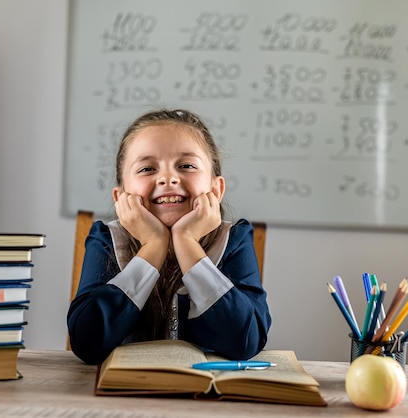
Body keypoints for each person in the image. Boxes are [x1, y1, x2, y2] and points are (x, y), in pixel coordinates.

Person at [67, 109, 271, 365]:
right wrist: (153, 247)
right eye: (147, 168)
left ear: (216, 189)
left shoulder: (234, 239)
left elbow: (246, 341)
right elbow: (87, 342)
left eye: (186, 166)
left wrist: (187, 242)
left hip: (207, 400)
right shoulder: (108, 239)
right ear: (120, 198)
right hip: (122, 399)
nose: (168, 178)